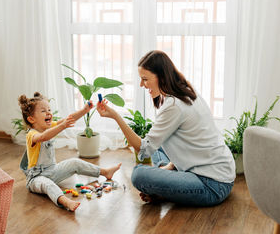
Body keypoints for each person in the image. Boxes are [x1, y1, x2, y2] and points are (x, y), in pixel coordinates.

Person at [97, 50, 235, 206]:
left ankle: (167, 187)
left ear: (161, 77)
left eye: (145, 79)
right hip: (219, 173)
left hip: (211, 184)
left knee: (139, 175)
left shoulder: (174, 105)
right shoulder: (186, 91)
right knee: (159, 148)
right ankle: (168, 182)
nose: (142, 84)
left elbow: (143, 151)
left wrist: (115, 116)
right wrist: (168, 168)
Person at [18, 92, 121, 211]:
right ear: (31, 119)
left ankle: (105, 172)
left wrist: (84, 110)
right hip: (36, 178)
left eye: (49, 109)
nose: (49, 113)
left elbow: (69, 119)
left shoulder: (50, 126)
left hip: (52, 171)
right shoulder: (31, 135)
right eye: (43, 111)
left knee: (74, 162)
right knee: (48, 185)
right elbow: (43, 137)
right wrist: (62, 126)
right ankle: (65, 201)